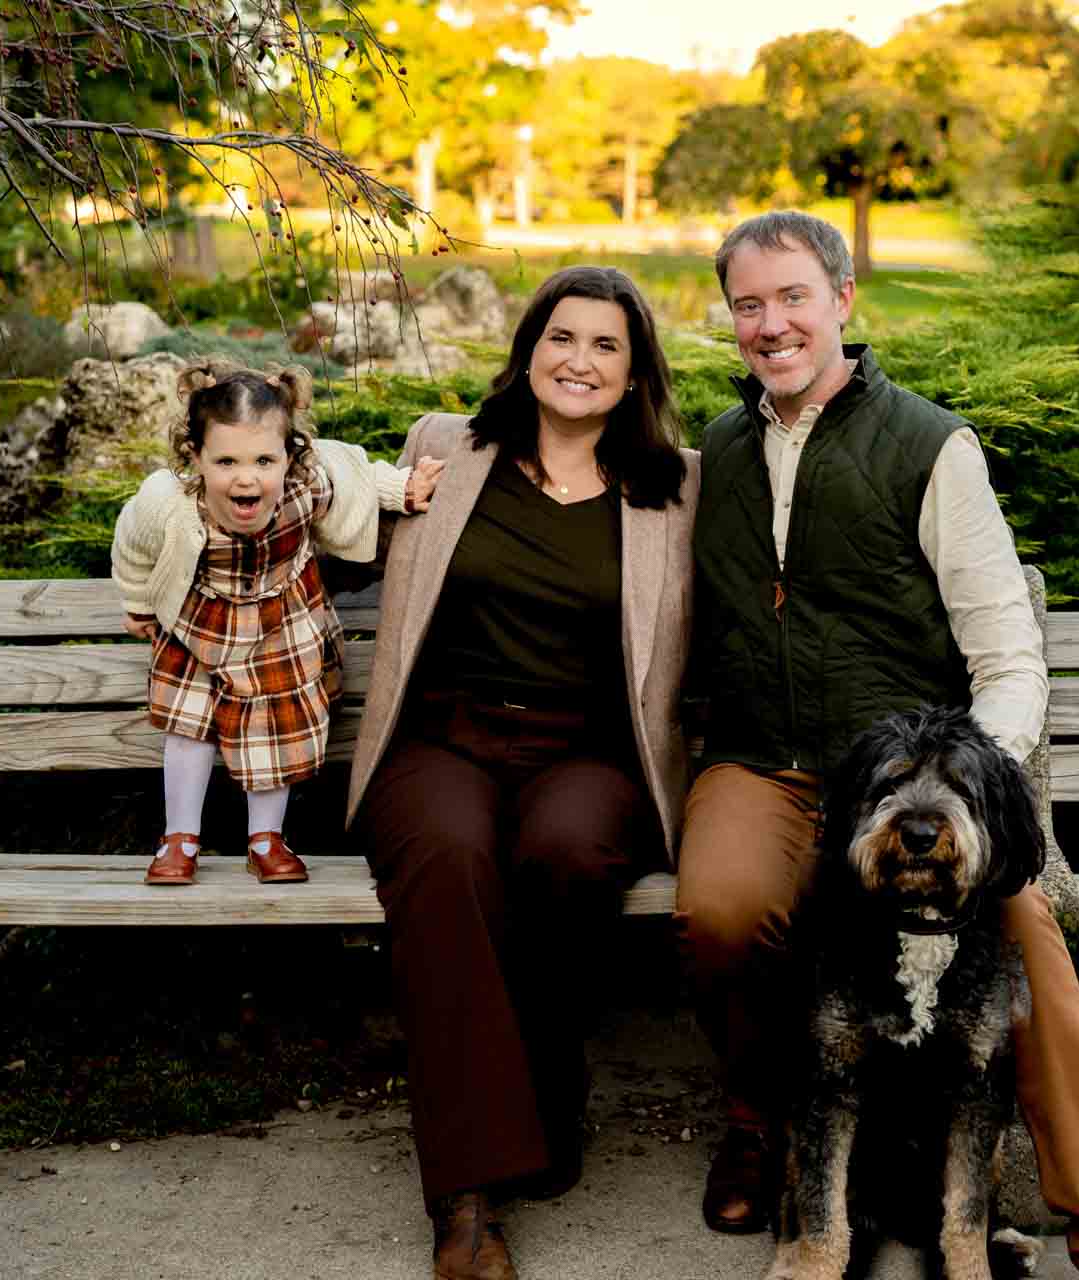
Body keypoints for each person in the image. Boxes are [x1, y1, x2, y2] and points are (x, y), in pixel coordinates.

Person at [675, 211, 1079, 1280]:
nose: (772, 324)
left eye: (793, 296)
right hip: (765, 761)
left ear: (844, 300)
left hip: (915, 774)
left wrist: (969, 788)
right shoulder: (719, 448)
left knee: (1026, 945)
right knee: (718, 904)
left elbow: (1008, 655)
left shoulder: (931, 444)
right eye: (749, 304)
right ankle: (761, 1124)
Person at [343, 266, 698, 1280]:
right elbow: (315, 515)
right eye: (561, 337)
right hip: (441, 740)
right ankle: (467, 1203)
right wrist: (170, 535)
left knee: (569, 848)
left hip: (586, 751)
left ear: (635, 377)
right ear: (528, 349)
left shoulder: (675, 485)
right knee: (448, 860)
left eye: (605, 347)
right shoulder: (443, 451)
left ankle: (545, 1092)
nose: (579, 361)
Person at [113, 361, 442, 887]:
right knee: (188, 728)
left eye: (265, 459)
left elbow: (357, 478)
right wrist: (138, 603)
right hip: (201, 632)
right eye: (226, 461)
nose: (247, 477)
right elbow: (132, 546)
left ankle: (265, 839)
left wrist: (402, 490)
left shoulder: (306, 487)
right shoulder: (169, 503)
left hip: (280, 632)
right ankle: (180, 837)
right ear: (195, 459)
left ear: (290, 457)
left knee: (277, 729)